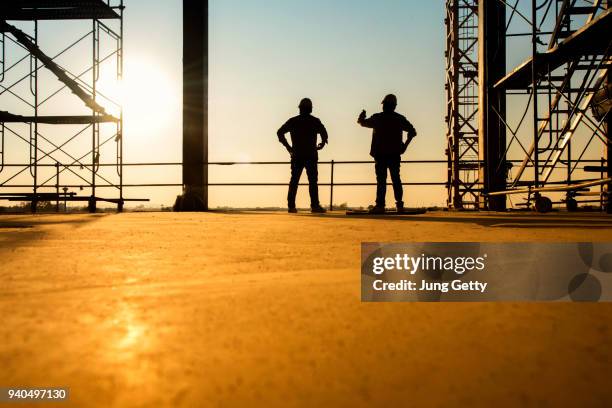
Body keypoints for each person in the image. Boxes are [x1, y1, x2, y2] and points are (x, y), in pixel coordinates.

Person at [358, 94, 417, 214]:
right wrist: (404, 146)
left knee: (381, 180)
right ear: (394, 106)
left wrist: (361, 117)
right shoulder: (399, 119)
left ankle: (380, 205)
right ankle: (399, 205)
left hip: (380, 154)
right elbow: (412, 132)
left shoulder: (377, 118)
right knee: (396, 179)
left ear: (385, 105)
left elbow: (362, 123)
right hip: (394, 154)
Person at [277, 98, 328, 213]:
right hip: (310, 155)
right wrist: (322, 143)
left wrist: (289, 148)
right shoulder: (315, 121)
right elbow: (324, 133)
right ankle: (315, 206)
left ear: (300, 108)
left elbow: (279, 132)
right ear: (310, 109)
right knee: (312, 181)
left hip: (297, 155)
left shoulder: (293, 121)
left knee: (294, 180)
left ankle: (291, 206)